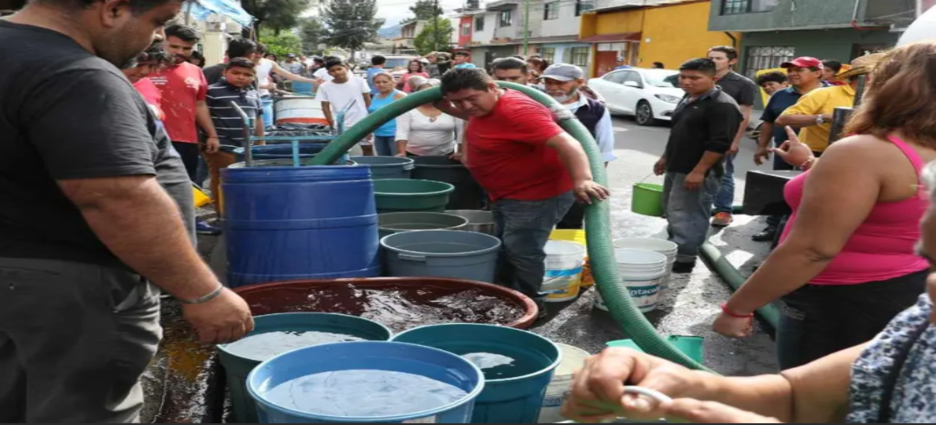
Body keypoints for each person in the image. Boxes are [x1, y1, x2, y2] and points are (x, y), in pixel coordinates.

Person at [0, 0, 254, 421]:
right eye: (157, 21)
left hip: (20, 281)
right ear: (113, 9)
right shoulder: (76, 74)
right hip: (75, 292)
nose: (157, 37)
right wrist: (202, 292)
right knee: (85, 410)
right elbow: (115, 196)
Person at [714, 45, 934, 370]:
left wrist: (737, 308)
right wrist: (811, 164)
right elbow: (889, 199)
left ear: (893, 87)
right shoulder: (915, 150)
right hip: (907, 288)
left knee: (807, 394)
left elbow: (812, 251)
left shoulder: (864, 152)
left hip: (838, 300)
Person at [438, 68, 610, 317]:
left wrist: (582, 179)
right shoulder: (484, 107)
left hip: (535, 195)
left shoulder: (518, 111)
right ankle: (507, 293)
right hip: (507, 193)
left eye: (471, 99)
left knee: (522, 250)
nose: (465, 106)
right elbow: (467, 110)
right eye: (457, 101)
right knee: (509, 246)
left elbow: (568, 143)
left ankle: (530, 304)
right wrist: (441, 103)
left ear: (492, 87)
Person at [654, 58, 742, 274]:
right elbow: (678, 132)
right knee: (673, 211)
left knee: (689, 214)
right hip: (677, 165)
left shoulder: (722, 105)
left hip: (698, 171)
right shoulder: (688, 98)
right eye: (683, 77)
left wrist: (699, 170)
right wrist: (665, 157)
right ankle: (674, 249)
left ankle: (684, 259)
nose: (686, 82)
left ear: (714, 79)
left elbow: (720, 143)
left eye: (694, 78)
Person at [149, 24, 223, 235]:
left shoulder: (195, 71)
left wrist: (212, 134)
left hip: (187, 139)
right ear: (163, 42)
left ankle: (189, 221)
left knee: (186, 183)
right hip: (150, 138)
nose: (180, 52)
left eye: (186, 48)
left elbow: (200, 105)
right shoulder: (144, 68)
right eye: (174, 46)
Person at [751, 57, 826, 244]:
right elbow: (768, 122)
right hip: (784, 151)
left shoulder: (830, 94)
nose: (792, 74)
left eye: (799, 70)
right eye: (790, 70)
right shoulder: (780, 95)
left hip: (817, 153)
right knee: (781, 188)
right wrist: (761, 146)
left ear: (817, 73)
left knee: (813, 192)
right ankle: (773, 227)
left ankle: (804, 233)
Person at [542, 64, 618, 230]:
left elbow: (603, 149)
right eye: (549, 82)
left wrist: (594, 179)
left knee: (570, 225)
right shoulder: (535, 104)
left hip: (576, 179)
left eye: (561, 83)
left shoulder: (596, 110)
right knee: (534, 223)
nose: (553, 88)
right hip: (540, 177)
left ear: (580, 82)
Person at [775, 53, 882, 157]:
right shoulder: (824, 94)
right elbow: (783, 120)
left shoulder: (879, 98)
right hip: (816, 155)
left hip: (859, 155)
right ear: (870, 77)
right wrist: (824, 118)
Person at [204, 58, 265, 211]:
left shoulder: (253, 93)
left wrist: (261, 141)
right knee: (223, 177)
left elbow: (258, 118)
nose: (241, 77)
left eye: (247, 74)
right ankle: (222, 212)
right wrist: (212, 136)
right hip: (222, 144)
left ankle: (240, 210)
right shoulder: (212, 91)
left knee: (244, 178)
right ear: (225, 72)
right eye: (236, 73)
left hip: (247, 145)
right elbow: (203, 115)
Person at [707, 46, 758, 228]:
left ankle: (723, 210)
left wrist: (735, 140)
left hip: (725, 135)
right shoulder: (703, 78)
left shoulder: (743, 84)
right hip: (698, 133)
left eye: (719, 58)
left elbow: (745, 114)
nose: (714, 61)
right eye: (711, 58)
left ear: (732, 61)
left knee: (722, 173)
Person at [253, 44, 318, 128]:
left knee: (267, 126)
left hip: (264, 98)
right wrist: (264, 86)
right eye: (256, 53)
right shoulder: (244, 63)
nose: (258, 55)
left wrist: (313, 81)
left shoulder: (269, 63)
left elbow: (290, 76)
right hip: (248, 97)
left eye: (261, 53)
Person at [395, 79, 464, 158]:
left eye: (430, 93)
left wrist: (460, 151)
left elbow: (461, 130)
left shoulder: (451, 108)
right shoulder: (408, 109)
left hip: (446, 153)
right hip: (414, 153)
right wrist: (402, 152)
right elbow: (402, 132)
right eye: (424, 93)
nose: (427, 97)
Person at [318, 59, 373, 155]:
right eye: (333, 70)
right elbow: (325, 107)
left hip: (362, 121)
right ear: (328, 73)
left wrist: (370, 119)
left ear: (346, 68)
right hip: (340, 124)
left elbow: (367, 100)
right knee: (342, 151)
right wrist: (331, 123)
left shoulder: (359, 81)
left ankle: (369, 164)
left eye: (339, 69)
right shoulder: (324, 87)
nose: (337, 72)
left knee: (367, 147)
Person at [123, 42, 171, 122]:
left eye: (151, 66)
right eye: (138, 65)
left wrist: (153, 111)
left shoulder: (145, 84)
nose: (144, 71)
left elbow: (156, 111)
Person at [369, 72, 406, 156]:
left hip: (395, 135)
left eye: (384, 82)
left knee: (396, 160)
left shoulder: (400, 96)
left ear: (392, 82)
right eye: (377, 82)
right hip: (378, 133)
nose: (381, 84)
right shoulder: (376, 96)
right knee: (383, 160)